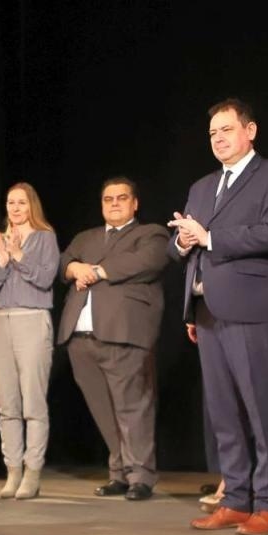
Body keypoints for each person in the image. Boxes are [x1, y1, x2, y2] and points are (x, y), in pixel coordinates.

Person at [172, 98, 268, 535]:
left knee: (261, 410)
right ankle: (236, 499)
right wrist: (184, 244)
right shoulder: (202, 187)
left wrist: (208, 236)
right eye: (213, 133)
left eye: (227, 129)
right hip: (207, 310)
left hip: (252, 307)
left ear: (250, 131)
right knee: (223, 411)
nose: (219, 138)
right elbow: (183, 244)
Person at [57, 177, 170, 500]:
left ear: (135, 203)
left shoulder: (151, 234)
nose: (115, 203)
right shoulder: (86, 238)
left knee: (133, 408)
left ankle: (141, 476)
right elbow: (63, 261)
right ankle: (119, 472)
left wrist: (96, 271)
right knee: (103, 410)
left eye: (122, 198)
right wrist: (75, 268)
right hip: (81, 336)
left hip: (124, 335)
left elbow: (147, 261)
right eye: (108, 199)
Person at [0, 182, 59, 499]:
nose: (15, 208)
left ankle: (32, 472)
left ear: (32, 206)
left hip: (32, 320)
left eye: (21, 203)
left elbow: (44, 279)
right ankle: (12, 470)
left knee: (33, 401)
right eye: (11, 203)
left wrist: (18, 255)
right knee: (7, 404)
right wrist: (2, 260)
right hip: (0, 321)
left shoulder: (46, 238)